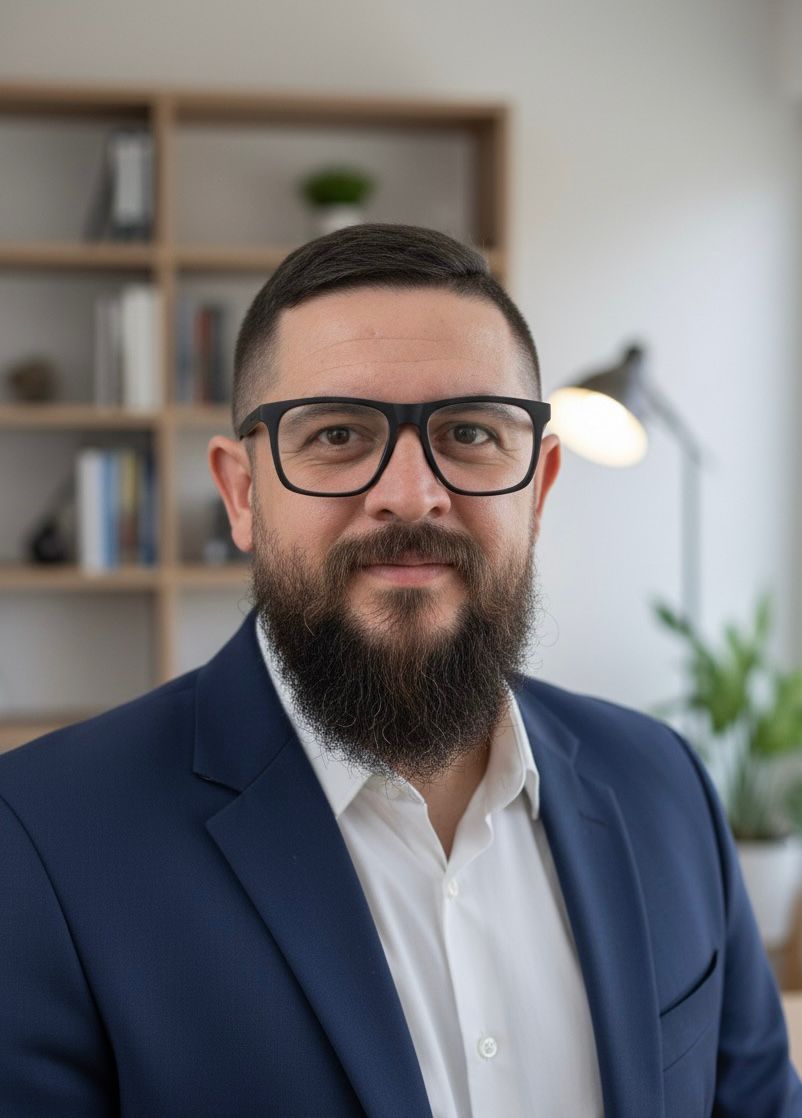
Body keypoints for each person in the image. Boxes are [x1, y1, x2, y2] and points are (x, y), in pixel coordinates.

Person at [0, 224, 798, 1118]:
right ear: (242, 493)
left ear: (538, 488)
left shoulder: (666, 785)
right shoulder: (38, 845)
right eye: (338, 434)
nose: (411, 495)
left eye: (469, 432)